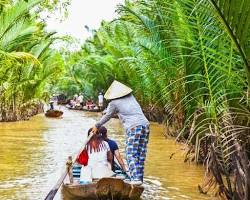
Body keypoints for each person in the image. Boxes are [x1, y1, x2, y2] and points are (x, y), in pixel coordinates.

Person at [92, 80, 150, 185]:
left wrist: (97, 125)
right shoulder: (131, 97)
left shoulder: (114, 103)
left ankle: (135, 179)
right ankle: (139, 179)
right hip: (145, 125)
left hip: (134, 127)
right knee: (140, 154)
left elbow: (107, 116)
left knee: (130, 153)